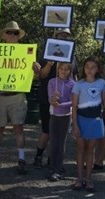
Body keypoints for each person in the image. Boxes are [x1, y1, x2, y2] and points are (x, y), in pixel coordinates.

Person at [0, 21, 29, 175]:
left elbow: (33, 72)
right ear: (3, 35)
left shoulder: (25, 53)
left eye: (15, 33)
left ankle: (22, 160)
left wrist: (35, 67)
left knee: (19, 129)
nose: (12, 35)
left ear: (19, 36)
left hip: (17, 96)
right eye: (9, 32)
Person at [32, 28, 78, 168]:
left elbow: (74, 76)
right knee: (47, 130)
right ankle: (38, 156)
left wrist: (75, 95)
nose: (63, 37)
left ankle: (53, 160)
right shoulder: (47, 53)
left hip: (64, 102)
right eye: (61, 35)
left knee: (60, 134)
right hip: (47, 98)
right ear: (55, 36)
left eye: (66, 35)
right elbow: (42, 75)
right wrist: (49, 64)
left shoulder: (72, 55)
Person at [71, 56, 105, 192]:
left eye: (93, 67)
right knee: (81, 149)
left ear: (98, 69)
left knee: (91, 150)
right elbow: (75, 106)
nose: (90, 69)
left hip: (95, 120)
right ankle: (79, 178)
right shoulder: (79, 84)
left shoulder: (101, 83)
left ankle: (89, 179)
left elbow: (104, 105)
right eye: (87, 66)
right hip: (81, 120)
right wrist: (75, 125)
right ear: (84, 68)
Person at [47, 63, 75, 181]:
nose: (63, 71)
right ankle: (52, 167)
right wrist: (53, 99)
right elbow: (51, 99)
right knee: (53, 142)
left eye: (66, 70)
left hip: (66, 115)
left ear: (70, 71)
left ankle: (58, 168)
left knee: (61, 142)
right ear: (58, 70)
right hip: (54, 115)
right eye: (61, 69)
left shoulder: (73, 84)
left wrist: (62, 104)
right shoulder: (52, 81)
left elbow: (73, 101)